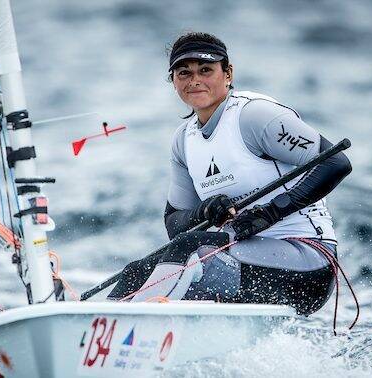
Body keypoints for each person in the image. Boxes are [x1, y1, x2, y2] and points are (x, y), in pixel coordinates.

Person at [108, 32, 352, 315]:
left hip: (309, 263)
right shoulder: (183, 141)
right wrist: (204, 211)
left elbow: (336, 163)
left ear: (228, 73)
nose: (195, 80)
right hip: (246, 262)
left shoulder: (254, 116)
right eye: (184, 73)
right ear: (173, 81)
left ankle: (131, 326)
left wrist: (270, 212)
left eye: (206, 70)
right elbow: (175, 224)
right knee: (139, 270)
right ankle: (93, 333)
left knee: (189, 252)